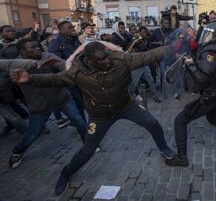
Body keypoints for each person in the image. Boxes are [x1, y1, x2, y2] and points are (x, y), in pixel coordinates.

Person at [10, 41, 175, 195]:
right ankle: (65, 173)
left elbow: (150, 55)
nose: (107, 61)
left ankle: (164, 149)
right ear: (89, 60)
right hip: (100, 115)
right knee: (87, 151)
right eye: (101, 60)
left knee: (152, 123)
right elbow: (55, 79)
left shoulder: (121, 59)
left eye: (107, 56)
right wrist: (29, 78)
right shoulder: (76, 71)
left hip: (126, 106)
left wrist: (176, 46)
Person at [165, 22, 216, 167]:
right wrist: (194, 62)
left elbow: (203, 77)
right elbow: (208, 70)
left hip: (209, 97)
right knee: (213, 119)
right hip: (215, 95)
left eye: (209, 34)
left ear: (215, 37)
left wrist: (190, 65)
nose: (206, 36)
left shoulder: (209, 53)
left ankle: (181, 157)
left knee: (180, 121)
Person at [0, 38, 87, 168]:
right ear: (22, 51)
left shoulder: (48, 56)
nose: (37, 49)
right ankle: (18, 151)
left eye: (37, 46)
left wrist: (64, 65)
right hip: (40, 106)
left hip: (62, 99)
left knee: (79, 121)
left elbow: (64, 67)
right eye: (32, 48)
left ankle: (89, 144)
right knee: (32, 134)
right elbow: (5, 83)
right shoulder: (15, 65)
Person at [48, 20, 85, 122]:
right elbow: (57, 64)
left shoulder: (75, 40)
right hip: (69, 80)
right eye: (69, 27)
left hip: (81, 76)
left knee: (84, 101)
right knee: (78, 104)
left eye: (73, 27)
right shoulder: (55, 44)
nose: (73, 29)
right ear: (61, 30)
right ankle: (82, 125)